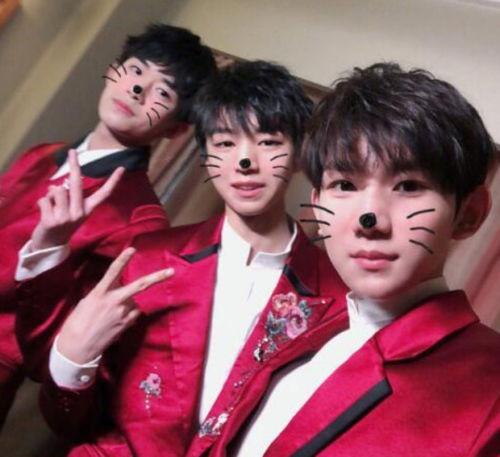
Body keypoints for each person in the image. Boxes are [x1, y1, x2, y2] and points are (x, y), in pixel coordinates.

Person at [28, 60, 347, 456]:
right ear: (205, 155)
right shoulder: (147, 258)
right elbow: (70, 421)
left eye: (268, 142)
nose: (245, 162)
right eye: (225, 143)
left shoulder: (339, 298)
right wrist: (72, 358)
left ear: (300, 154)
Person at [186, 63, 500, 456]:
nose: (370, 218)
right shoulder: (301, 327)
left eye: (408, 186)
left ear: (469, 213)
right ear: (318, 205)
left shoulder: (490, 388)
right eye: (345, 184)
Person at [0, 23, 215, 430]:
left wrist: (50, 249)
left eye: (162, 93)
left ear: (176, 128)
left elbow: (60, 344)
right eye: (134, 70)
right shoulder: (43, 153)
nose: (137, 89)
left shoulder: (141, 221)